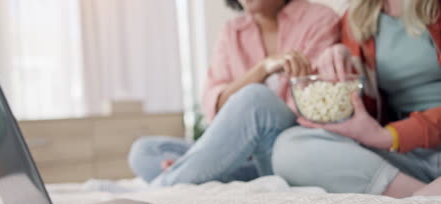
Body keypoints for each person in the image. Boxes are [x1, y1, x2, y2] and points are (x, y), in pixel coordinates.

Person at [129, 0, 340, 186]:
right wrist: (263, 68)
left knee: (255, 97)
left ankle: (169, 185)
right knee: (144, 151)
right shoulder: (232, 31)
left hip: (284, 148)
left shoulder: (319, 19)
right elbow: (218, 107)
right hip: (239, 154)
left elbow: (318, 106)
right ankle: (194, 172)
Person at [272, 0, 441, 198]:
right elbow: (366, 108)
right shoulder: (357, 17)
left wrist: (390, 136)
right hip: (404, 151)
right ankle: (422, 195)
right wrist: (348, 67)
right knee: (290, 147)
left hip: (406, 138)